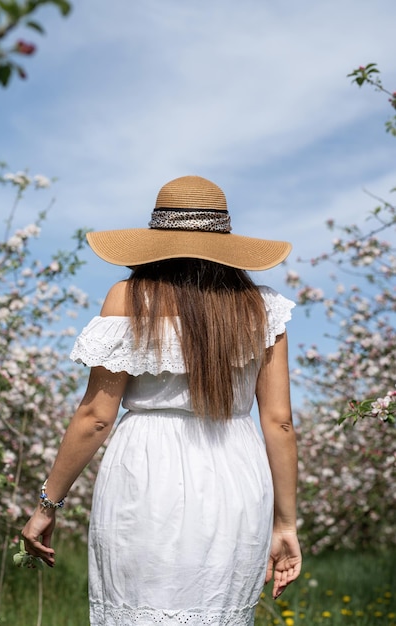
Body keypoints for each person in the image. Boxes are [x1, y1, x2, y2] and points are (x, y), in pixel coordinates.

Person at [22, 175, 302, 626]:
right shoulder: (262, 309)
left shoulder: (128, 298)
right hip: (236, 476)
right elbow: (279, 422)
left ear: (156, 238)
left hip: (146, 475)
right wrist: (285, 525)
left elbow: (96, 416)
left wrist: (46, 506)